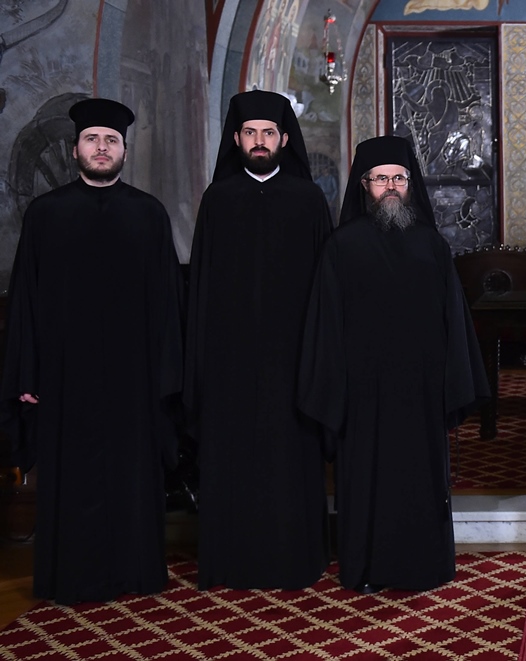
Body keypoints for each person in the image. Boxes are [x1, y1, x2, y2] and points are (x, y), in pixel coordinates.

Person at [0, 98, 183, 604]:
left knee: (131, 477)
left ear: (124, 150)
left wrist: (167, 378)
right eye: (92, 140)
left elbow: (169, 306)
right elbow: (26, 302)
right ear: (76, 147)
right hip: (65, 377)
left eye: (111, 141)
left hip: (134, 378)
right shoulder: (46, 215)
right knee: (72, 478)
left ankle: (135, 572)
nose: (101, 148)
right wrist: (28, 375)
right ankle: (71, 577)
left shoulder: (148, 214)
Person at [297, 136, 487, 593]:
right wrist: (335, 388)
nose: (390, 187)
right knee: (366, 479)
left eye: (398, 178)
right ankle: (366, 569)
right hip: (363, 391)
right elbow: (326, 325)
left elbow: (454, 321)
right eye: (380, 179)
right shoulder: (341, 246)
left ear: (410, 183)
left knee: (421, 479)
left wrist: (452, 382)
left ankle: (426, 565)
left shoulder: (431, 245)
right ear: (365, 185)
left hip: (421, 389)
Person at [185, 90, 332, 590]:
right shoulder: (218, 200)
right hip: (229, 363)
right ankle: (230, 562)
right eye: (250, 133)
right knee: (233, 461)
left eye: (269, 132)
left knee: (291, 460)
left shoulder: (309, 201)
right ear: (236, 139)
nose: (260, 141)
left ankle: (296, 560)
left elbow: (326, 287)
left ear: (285, 139)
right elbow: (201, 288)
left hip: (295, 360)